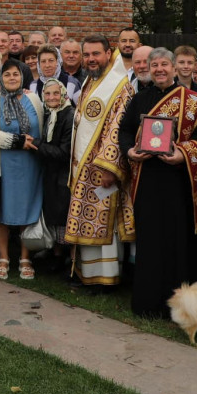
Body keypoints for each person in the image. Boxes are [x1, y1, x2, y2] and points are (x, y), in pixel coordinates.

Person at [121, 48, 197, 316]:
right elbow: (125, 130)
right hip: (146, 178)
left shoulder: (194, 100)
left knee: (177, 240)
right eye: (155, 65)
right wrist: (129, 151)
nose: (159, 69)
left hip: (177, 180)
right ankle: (148, 303)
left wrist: (182, 154)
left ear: (174, 68)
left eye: (164, 65)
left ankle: (179, 306)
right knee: (149, 240)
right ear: (148, 69)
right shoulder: (139, 99)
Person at [64, 35, 134, 289]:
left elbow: (119, 127)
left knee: (104, 221)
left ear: (108, 54)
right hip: (82, 164)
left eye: (96, 54)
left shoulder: (119, 85)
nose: (91, 59)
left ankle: (106, 278)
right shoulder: (91, 80)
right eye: (87, 54)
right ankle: (87, 274)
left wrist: (109, 167)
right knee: (87, 220)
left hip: (102, 168)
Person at [0, 62, 45, 280]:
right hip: (2, 164)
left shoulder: (33, 99)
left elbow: (42, 129)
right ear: (1, 78)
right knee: (2, 211)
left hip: (30, 165)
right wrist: (16, 141)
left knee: (29, 208)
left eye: (15, 74)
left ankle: (26, 258)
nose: (11, 77)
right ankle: (3, 257)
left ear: (22, 76)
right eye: (6, 74)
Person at [35, 78, 75, 272]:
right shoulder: (49, 114)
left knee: (63, 217)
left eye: (56, 93)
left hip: (64, 174)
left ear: (64, 94)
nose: (51, 97)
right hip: (51, 174)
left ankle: (68, 260)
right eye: (47, 94)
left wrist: (36, 145)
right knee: (55, 216)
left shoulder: (68, 115)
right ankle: (57, 256)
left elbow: (63, 153)